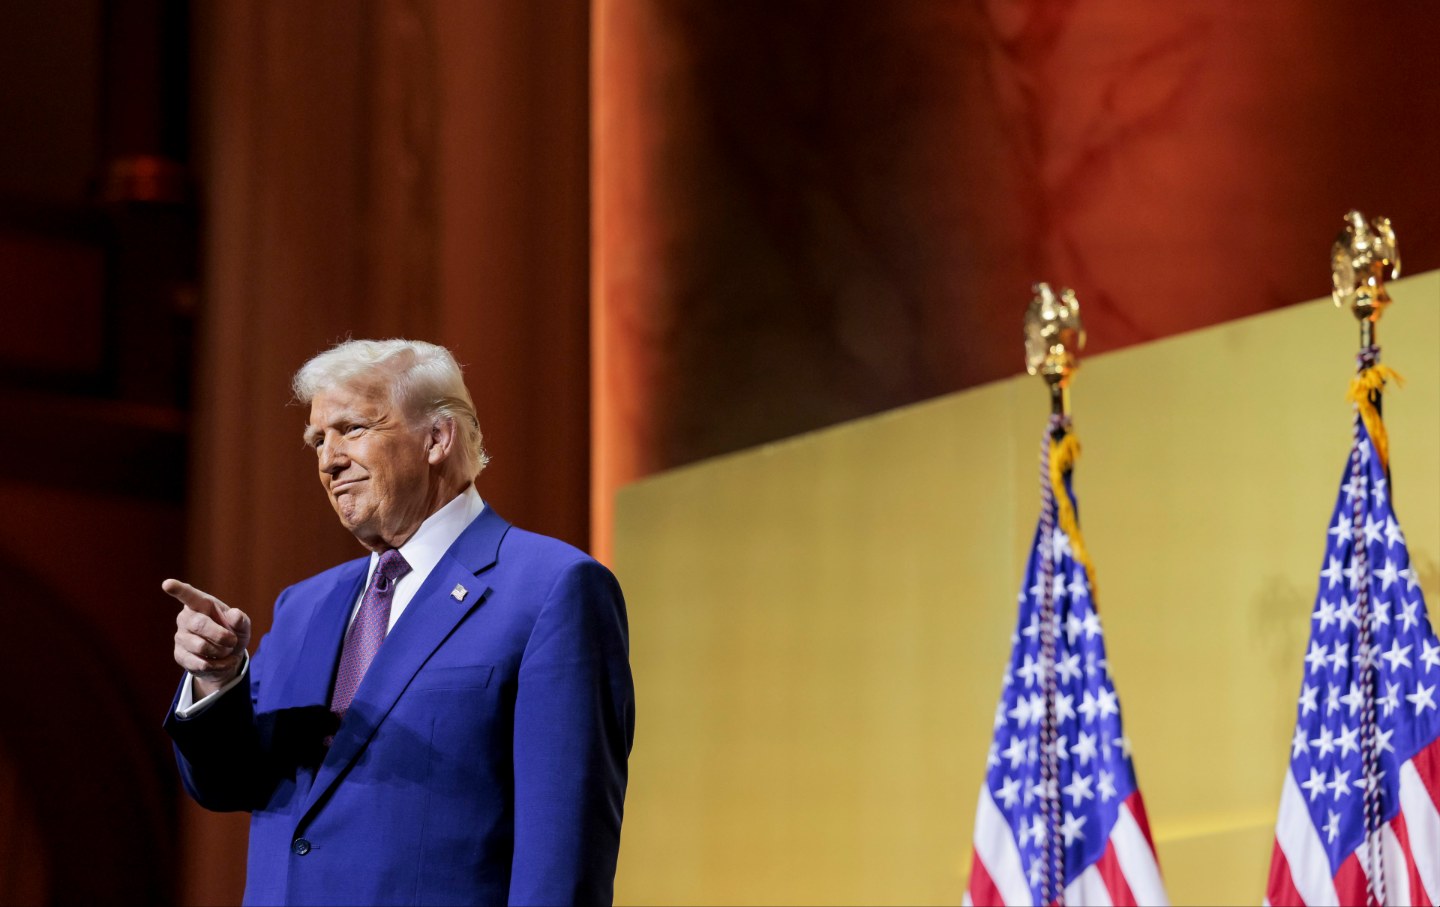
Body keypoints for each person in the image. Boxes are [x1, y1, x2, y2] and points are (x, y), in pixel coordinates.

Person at [163, 339, 635, 906]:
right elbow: (227, 782)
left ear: (437, 438)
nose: (328, 458)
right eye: (317, 439)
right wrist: (217, 679)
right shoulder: (302, 607)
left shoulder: (551, 589)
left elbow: (564, 859)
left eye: (352, 428)